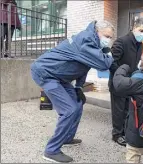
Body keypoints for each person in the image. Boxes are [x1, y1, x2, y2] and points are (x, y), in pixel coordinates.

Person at [31, 20, 114, 163]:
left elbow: (84, 67)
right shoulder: (86, 41)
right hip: (46, 73)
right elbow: (103, 64)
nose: (108, 40)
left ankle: (67, 137)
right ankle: (51, 150)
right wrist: (108, 52)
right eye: (106, 36)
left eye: (110, 37)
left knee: (78, 102)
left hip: (60, 76)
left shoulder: (91, 42)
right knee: (69, 110)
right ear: (96, 31)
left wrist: (79, 87)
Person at [109, 17, 143, 146]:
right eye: (141, 30)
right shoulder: (121, 42)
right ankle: (117, 134)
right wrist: (122, 76)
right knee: (118, 110)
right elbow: (112, 63)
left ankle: (125, 131)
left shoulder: (140, 44)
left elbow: (134, 63)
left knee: (127, 109)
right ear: (133, 27)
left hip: (131, 83)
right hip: (119, 82)